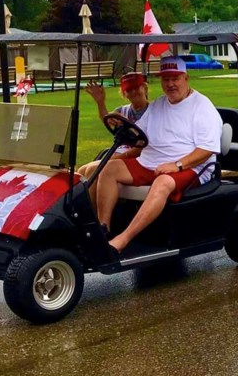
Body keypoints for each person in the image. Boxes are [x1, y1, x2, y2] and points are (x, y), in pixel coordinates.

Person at [95, 56, 224, 254]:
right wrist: (122, 127)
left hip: (191, 167)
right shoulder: (157, 105)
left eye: (175, 78)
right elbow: (139, 135)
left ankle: (123, 239)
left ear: (186, 78)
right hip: (152, 161)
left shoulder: (203, 107)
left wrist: (178, 165)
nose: (170, 84)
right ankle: (103, 230)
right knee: (108, 169)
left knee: (163, 182)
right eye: (166, 79)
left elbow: (207, 150)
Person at [77, 72, 150, 180]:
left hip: (137, 156)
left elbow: (142, 146)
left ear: (144, 88)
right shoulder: (123, 110)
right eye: (129, 90)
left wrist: (114, 158)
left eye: (136, 88)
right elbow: (106, 118)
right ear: (124, 93)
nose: (134, 92)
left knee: (92, 170)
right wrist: (100, 102)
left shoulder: (153, 111)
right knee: (80, 172)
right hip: (120, 152)